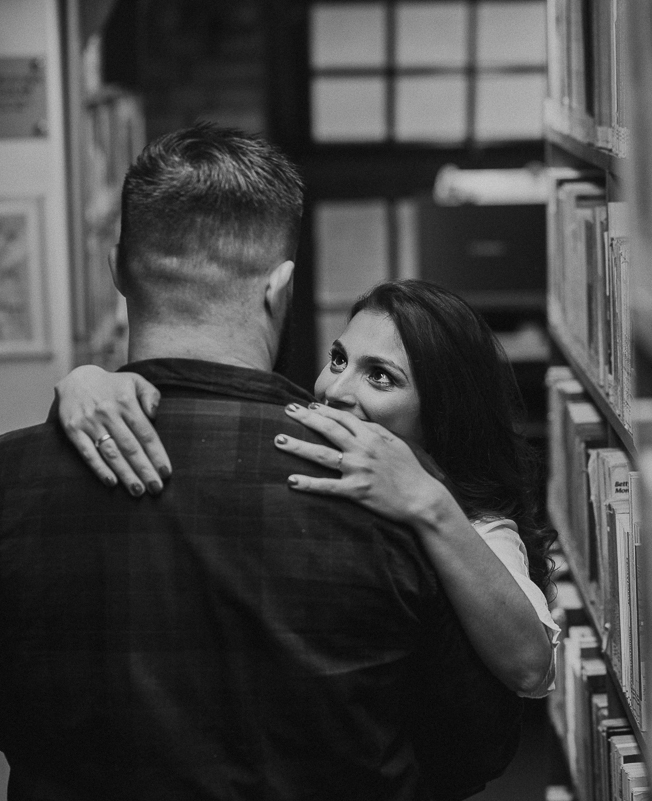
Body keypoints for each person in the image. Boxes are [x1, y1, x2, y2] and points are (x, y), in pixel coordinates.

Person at [0, 123, 520, 800]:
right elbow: (472, 749)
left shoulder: (14, 483)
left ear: (118, 268)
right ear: (281, 288)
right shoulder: (383, 499)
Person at [55, 279, 561, 700]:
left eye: (380, 377)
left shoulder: (473, 526)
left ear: (442, 414)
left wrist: (429, 502)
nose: (334, 390)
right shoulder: (297, 441)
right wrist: (93, 383)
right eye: (339, 359)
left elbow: (530, 670)